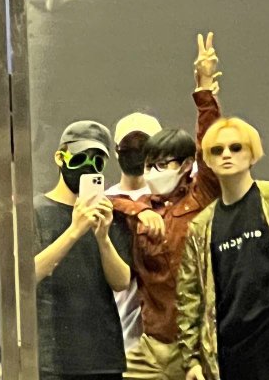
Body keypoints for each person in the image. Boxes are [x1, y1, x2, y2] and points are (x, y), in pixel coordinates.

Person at [110, 32, 222, 380]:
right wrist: (139, 209)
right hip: (152, 345)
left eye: (161, 163)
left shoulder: (201, 195)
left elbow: (210, 145)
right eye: (148, 164)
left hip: (202, 345)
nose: (152, 171)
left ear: (185, 164)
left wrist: (205, 90)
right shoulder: (142, 206)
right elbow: (107, 200)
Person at [177, 116, 269, 380]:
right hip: (227, 354)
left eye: (236, 147)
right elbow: (189, 296)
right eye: (217, 150)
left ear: (252, 154)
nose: (226, 154)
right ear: (207, 160)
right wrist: (191, 361)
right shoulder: (201, 227)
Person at [34, 120, 132, 380]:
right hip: (53, 356)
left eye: (97, 162)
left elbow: (122, 281)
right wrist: (74, 230)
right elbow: (28, 274)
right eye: (79, 159)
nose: (88, 167)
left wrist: (103, 238)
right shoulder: (35, 211)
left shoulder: (110, 214)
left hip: (103, 356)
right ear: (60, 158)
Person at [106, 113, 162, 353]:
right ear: (117, 151)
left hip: (167, 339)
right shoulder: (102, 201)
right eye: (129, 147)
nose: (136, 153)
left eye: (144, 146)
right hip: (119, 335)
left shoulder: (170, 199)